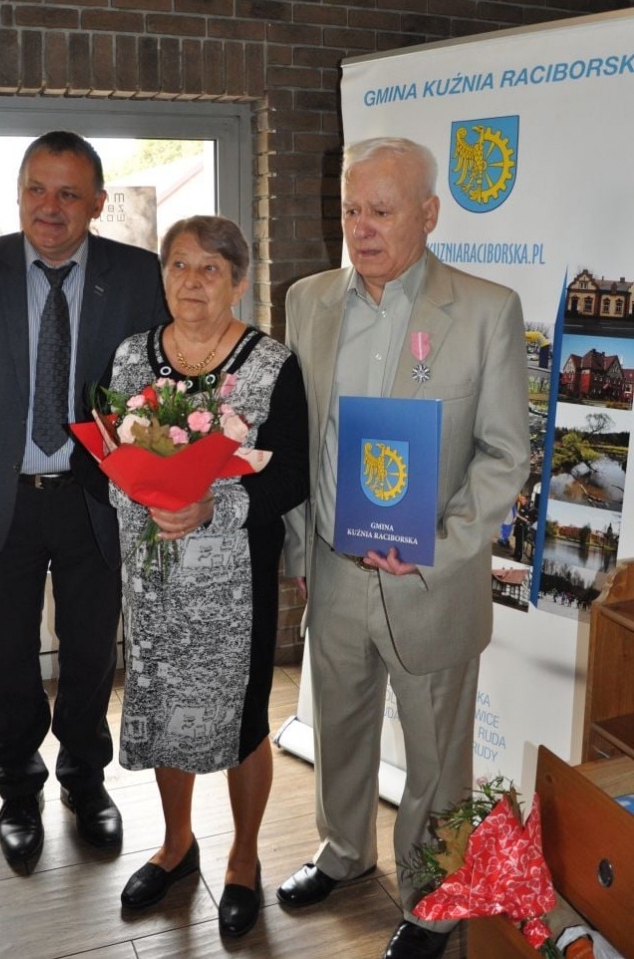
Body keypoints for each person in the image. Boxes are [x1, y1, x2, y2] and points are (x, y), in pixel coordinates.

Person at [276, 138, 530, 959]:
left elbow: (504, 455)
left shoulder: (485, 309)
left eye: (381, 211)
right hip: (334, 567)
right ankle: (343, 852)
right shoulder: (307, 300)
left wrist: (438, 548)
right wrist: (301, 550)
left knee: (436, 758)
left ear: (428, 214)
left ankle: (432, 902)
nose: (360, 228)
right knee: (339, 726)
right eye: (351, 209)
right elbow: (300, 439)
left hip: (431, 578)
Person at [0, 130, 167, 874]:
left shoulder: (136, 274)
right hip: (0, 501)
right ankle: (18, 789)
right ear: (20, 192)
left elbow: (160, 387)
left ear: (97, 203)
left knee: (91, 651)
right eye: (36, 190)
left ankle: (85, 779)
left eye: (68, 194)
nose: (49, 208)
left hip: (95, 502)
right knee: (9, 656)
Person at [98, 215, 308, 938]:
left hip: (234, 580)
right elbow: (109, 454)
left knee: (241, 717)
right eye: (179, 265)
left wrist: (210, 506)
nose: (192, 281)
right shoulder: (132, 357)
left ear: (239, 282)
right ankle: (176, 844)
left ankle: (243, 858)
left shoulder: (271, 364)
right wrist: (142, 494)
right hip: (153, 574)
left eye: (210, 269)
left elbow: (292, 475)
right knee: (164, 708)